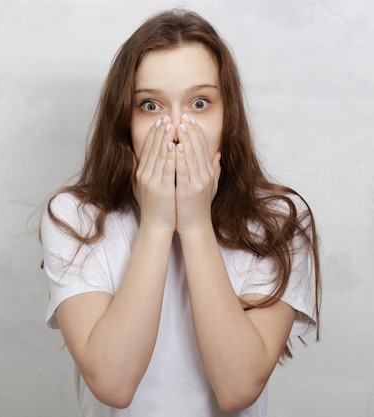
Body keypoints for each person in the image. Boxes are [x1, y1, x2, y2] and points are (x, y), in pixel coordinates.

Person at [39, 9, 321, 417]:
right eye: (150, 105)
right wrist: (155, 224)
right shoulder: (75, 217)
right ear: (125, 121)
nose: (175, 129)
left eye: (200, 103)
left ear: (228, 118)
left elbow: (237, 388)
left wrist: (193, 222)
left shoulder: (278, 222)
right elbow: (113, 384)